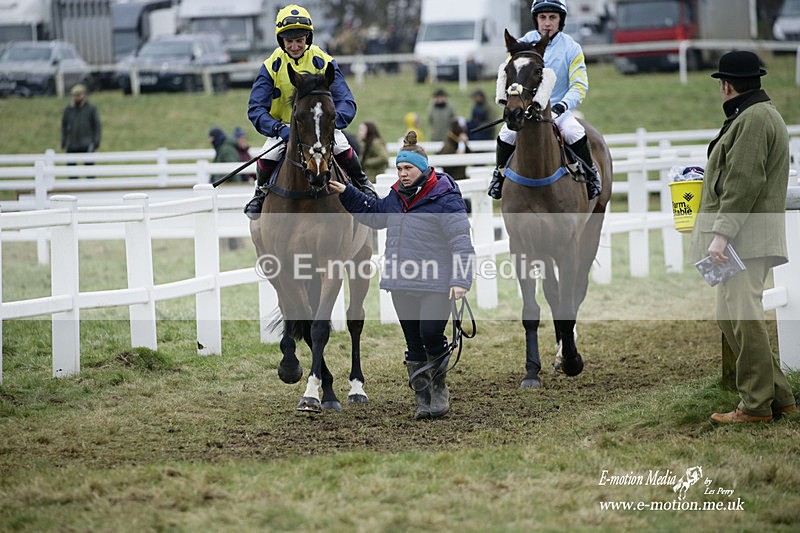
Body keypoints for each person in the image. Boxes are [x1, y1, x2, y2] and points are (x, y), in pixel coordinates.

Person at [328, 131, 475, 420]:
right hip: (402, 281)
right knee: (413, 341)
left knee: (431, 333)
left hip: (436, 281)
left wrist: (460, 279)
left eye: (407, 168)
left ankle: (439, 387)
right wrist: (348, 193)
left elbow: (461, 240)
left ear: (422, 168)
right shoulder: (396, 196)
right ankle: (423, 397)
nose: (402, 174)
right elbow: (375, 214)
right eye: (399, 169)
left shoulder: (445, 196)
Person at [689, 50, 796, 424]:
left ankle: (754, 406)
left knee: (743, 318)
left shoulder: (752, 120)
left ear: (727, 84)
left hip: (743, 239)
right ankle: (779, 396)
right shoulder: (754, 116)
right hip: (743, 239)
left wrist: (721, 235)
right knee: (729, 315)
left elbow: (742, 182)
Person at [244, 4, 376, 220]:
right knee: (268, 155)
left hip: (321, 126)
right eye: (289, 41)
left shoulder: (323, 61)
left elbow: (347, 101)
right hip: (284, 128)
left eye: (300, 40)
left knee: (342, 146)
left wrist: (329, 123)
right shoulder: (271, 66)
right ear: (281, 41)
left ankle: (363, 183)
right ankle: (260, 193)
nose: (295, 46)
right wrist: (277, 128)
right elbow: (256, 108)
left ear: (308, 38)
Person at [487, 0, 602, 201]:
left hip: (558, 110)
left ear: (561, 20)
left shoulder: (571, 48)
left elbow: (579, 86)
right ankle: (499, 174)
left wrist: (561, 106)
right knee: (506, 135)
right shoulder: (522, 43)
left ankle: (591, 174)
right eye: (542, 17)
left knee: (575, 132)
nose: (547, 23)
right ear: (536, 19)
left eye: (552, 17)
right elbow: (508, 74)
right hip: (526, 110)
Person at [61, 83, 101, 179]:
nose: (77, 97)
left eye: (79, 95)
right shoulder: (69, 109)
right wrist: (64, 141)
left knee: (90, 171)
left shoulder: (90, 108)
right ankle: (72, 190)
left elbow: (97, 126)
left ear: (84, 95)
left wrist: (95, 142)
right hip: (72, 144)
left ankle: (90, 189)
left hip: (87, 143)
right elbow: (64, 126)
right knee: (72, 171)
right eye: (75, 95)